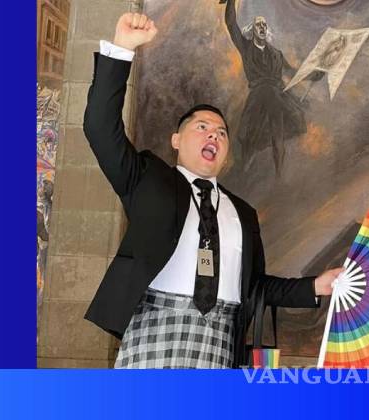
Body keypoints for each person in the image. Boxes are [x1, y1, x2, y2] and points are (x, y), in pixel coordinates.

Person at [82, 12, 342, 368]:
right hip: (153, 328)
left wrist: (316, 286)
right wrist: (122, 49)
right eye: (202, 127)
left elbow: (255, 286)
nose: (214, 136)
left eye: (221, 133)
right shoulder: (147, 178)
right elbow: (100, 127)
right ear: (176, 140)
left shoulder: (243, 214)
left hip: (221, 338)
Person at [223, 0, 307, 175]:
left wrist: (314, 74)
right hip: (258, 97)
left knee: (278, 134)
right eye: (258, 24)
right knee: (249, 137)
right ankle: (244, 169)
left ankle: (279, 175)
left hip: (277, 96)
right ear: (253, 30)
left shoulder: (277, 54)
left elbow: (292, 72)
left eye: (264, 25)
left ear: (266, 30)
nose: (261, 27)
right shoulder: (246, 47)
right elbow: (231, 24)